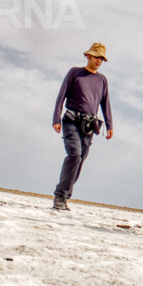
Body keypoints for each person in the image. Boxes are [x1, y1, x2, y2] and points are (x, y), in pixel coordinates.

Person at [51, 43, 113, 211]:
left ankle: (64, 197)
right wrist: (56, 118)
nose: (98, 61)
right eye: (96, 57)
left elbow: (105, 103)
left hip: (89, 126)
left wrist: (109, 125)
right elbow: (61, 95)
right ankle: (60, 196)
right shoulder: (75, 72)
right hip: (71, 121)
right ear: (88, 56)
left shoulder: (102, 80)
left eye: (101, 58)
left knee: (80, 160)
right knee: (74, 155)